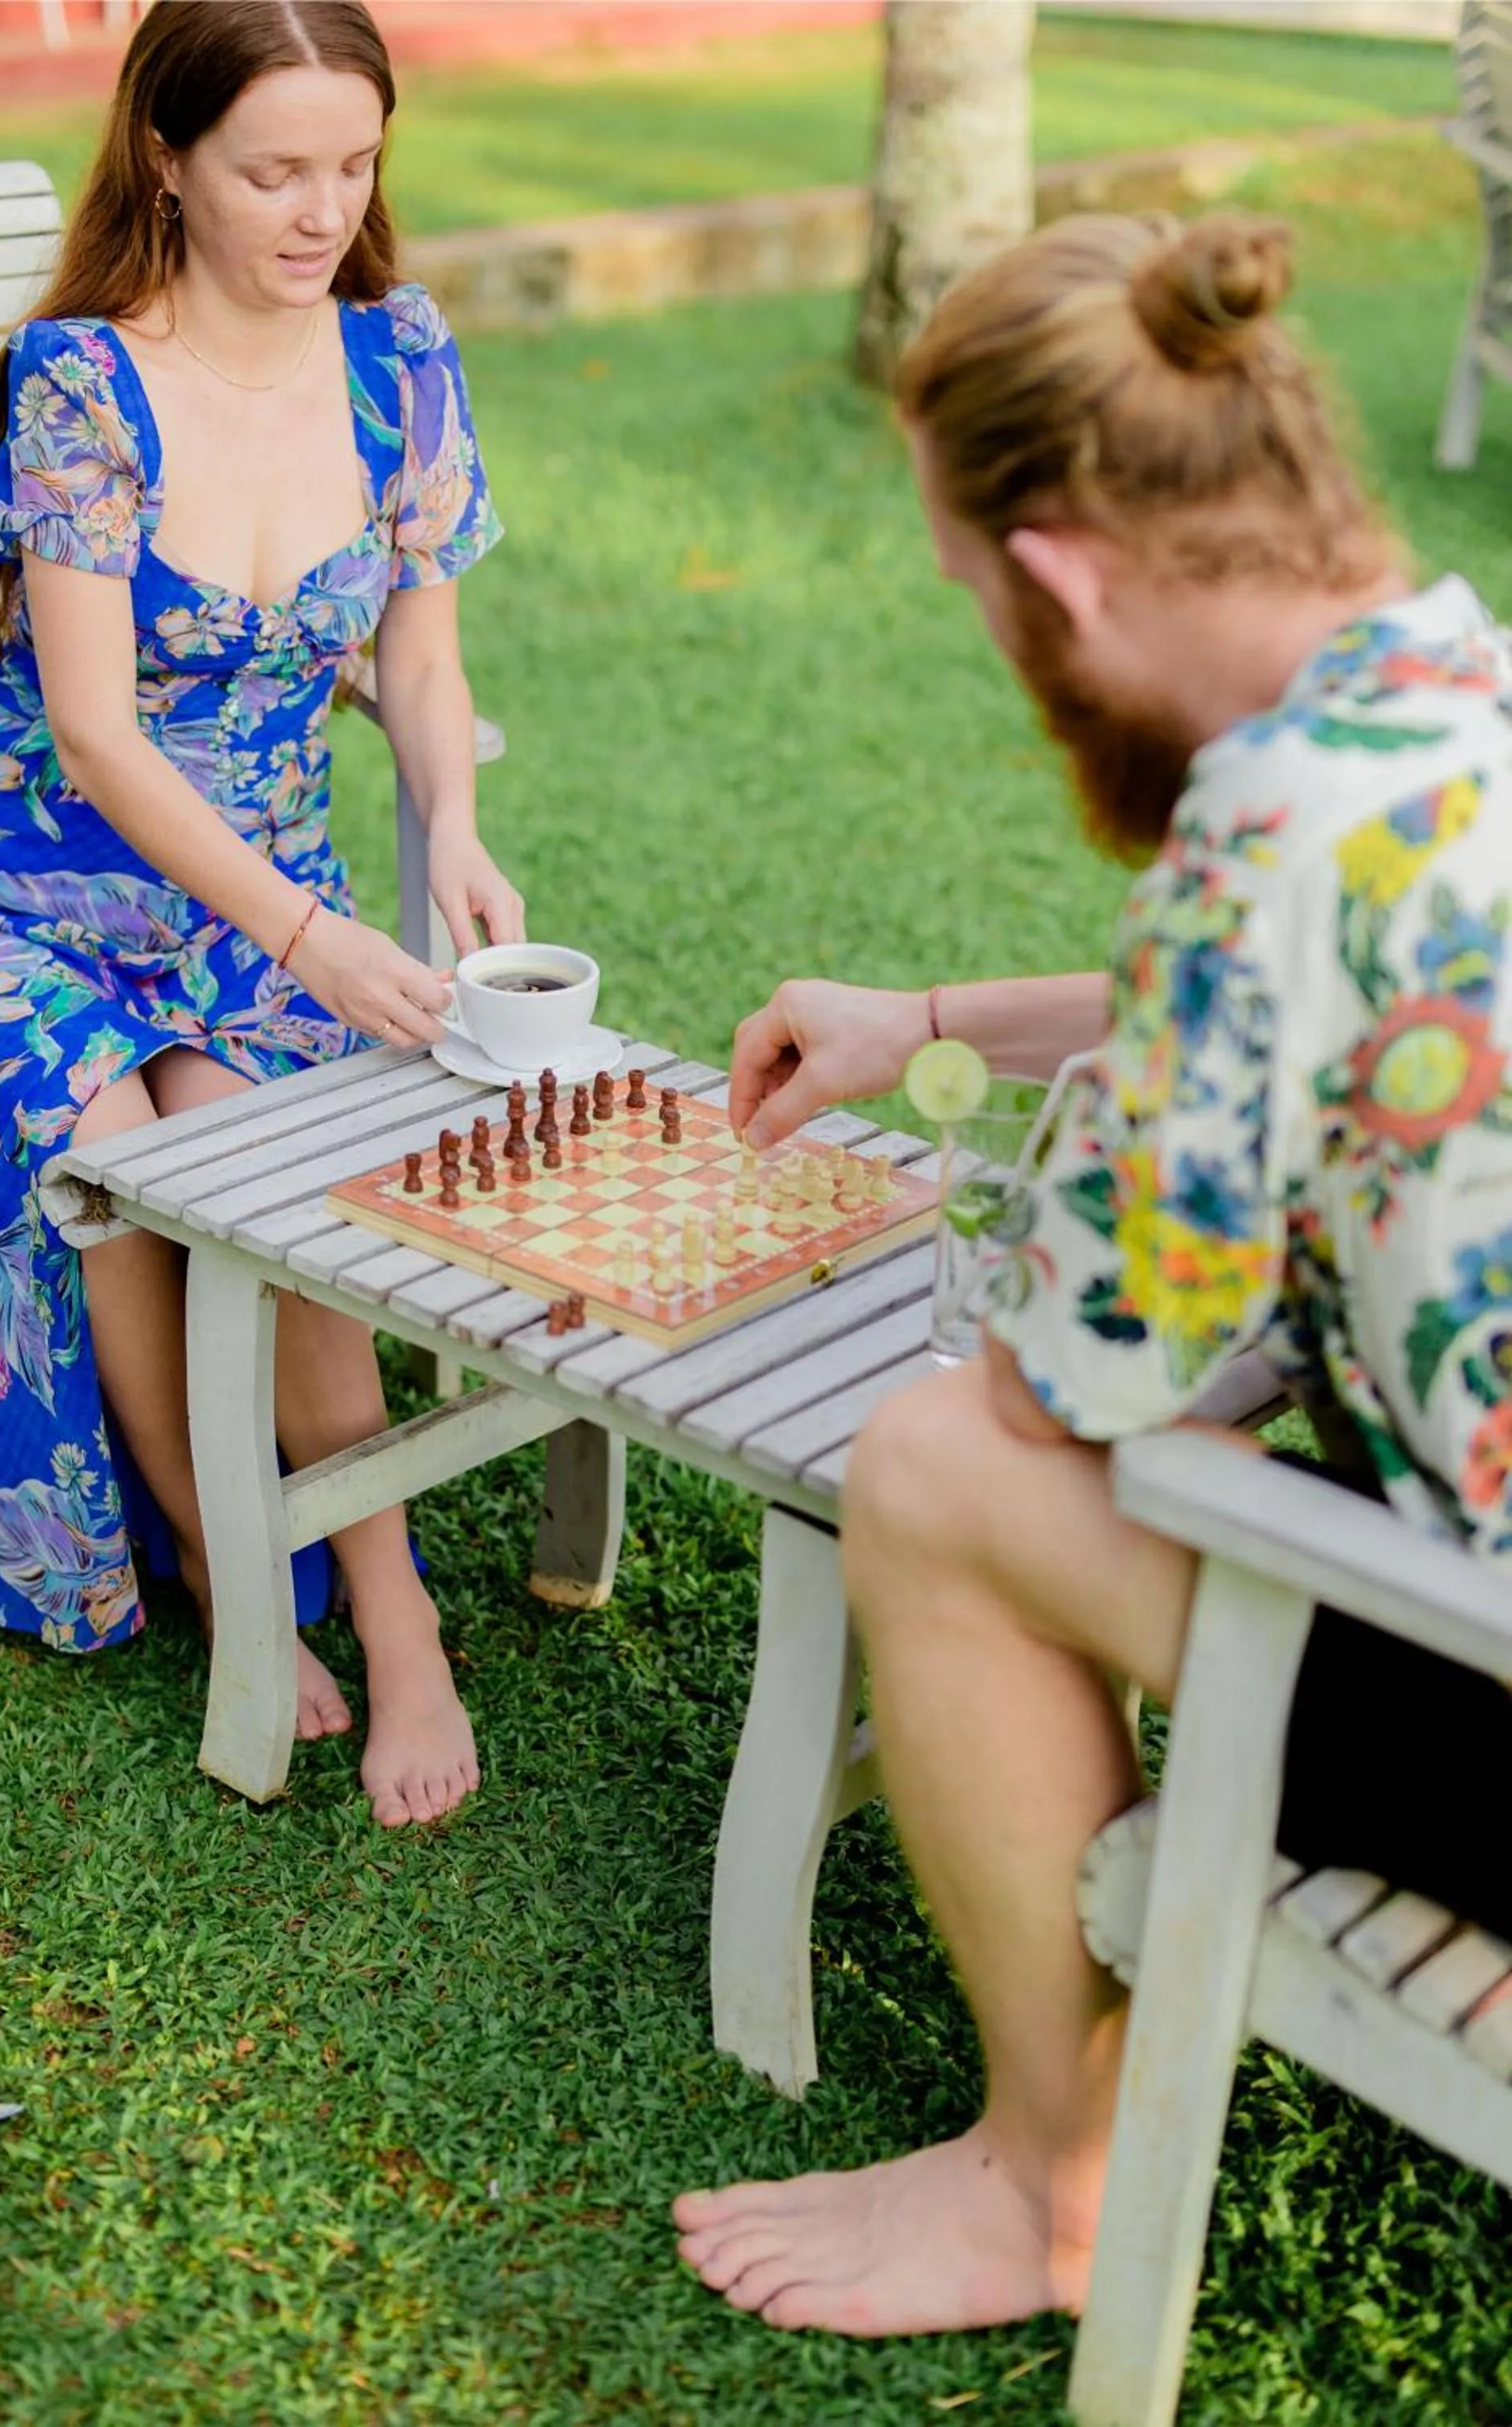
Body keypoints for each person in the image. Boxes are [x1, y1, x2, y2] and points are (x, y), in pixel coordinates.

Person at [675, 210, 1512, 2336]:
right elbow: (1303, 987)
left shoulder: (1265, 831)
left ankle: (1044, 2185)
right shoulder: (1452, 690)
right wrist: (928, 1021)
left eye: (981, 607)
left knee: (937, 1467)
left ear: (1054, 580)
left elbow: (1066, 1380)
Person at [0, 0, 521, 1828]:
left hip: (253, 893)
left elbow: (421, 658)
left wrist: (452, 820)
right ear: (166, 158)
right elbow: (93, 736)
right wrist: (314, 941)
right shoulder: (84, 381)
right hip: (26, 886)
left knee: (266, 1159)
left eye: (356, 163)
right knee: (115, 1144)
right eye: (274, 171)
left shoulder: (402, 359)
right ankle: (214, 1549)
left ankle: (396, 1613)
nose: (324, 210)